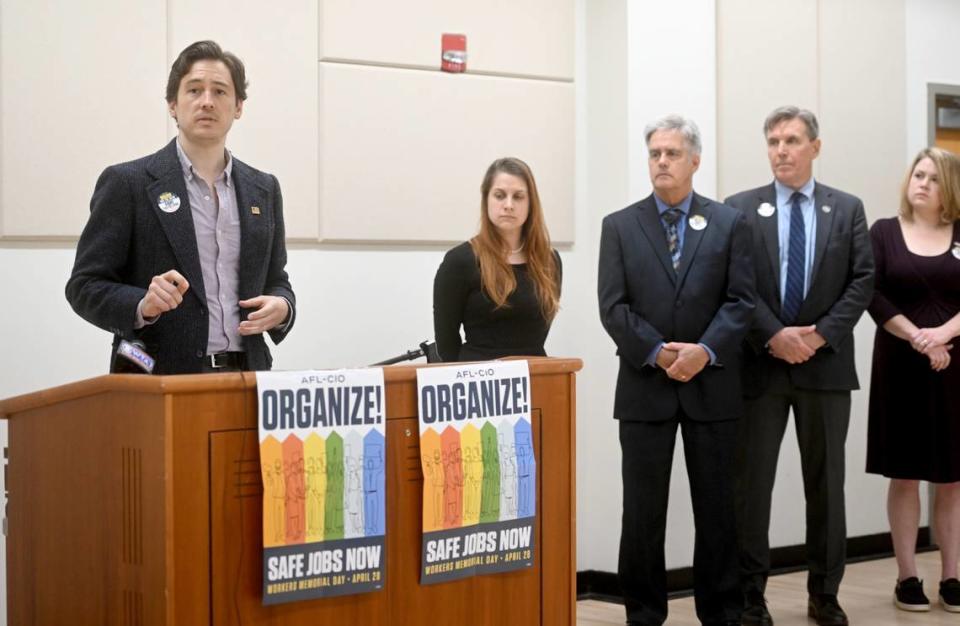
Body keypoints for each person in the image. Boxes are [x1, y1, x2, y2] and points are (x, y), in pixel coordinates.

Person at [598, 114, 754, 626]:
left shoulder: (730, 223)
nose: (661, 162)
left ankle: (724, 611)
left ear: (695, 160)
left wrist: (703, 352)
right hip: (646, 387)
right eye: (654, 154)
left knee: (718, 510)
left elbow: (741, 301)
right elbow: (613, 307)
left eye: (671, 153)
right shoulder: (619, 226)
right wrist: (661, 352)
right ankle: (642, 612)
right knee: (643, 513)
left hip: (713, 387)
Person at [724, 106, 874, 626]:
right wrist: (774, 335)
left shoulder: (847, 209)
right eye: (772, 141)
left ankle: (825, 595)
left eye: (791, 140)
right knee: (751, 488)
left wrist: (818, 336)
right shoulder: (740, 209)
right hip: (760, 368)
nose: (781, 150)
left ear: (815, 146)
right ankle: (750, 597)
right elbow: (736, 284)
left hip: (825, 367)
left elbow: (862, 282)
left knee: (827, 487)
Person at [66, 40, 295, 374]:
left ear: (238, 106)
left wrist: (283, 306)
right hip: (157, 377)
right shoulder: (128, 183)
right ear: (173, 104)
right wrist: (142, 305)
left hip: (248, 377)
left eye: (219, 91)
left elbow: (277, 279)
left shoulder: (264, 189)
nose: (206, 102)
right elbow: (84, 286)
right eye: (194, 90)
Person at [866, 147, 960, 614]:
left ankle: (952, 576)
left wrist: (944, 334)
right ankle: (907, 576)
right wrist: (922, 340)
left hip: (955, 368)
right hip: (900, 367)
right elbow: (873, 294)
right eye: (917, 174)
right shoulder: (883, 233)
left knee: (952, 478)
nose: (921, 183)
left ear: (950, 189)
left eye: (933, 178)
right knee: (904, 474)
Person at [433, 157, 561, 362]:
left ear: (531, 204)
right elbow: (446, 342)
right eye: (500, 195)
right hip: (477, 380)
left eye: (518, 197)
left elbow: (539, 331)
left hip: (535, 377)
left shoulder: (549, 260)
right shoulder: (460, 261)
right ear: (486, 200)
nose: (508, 205)